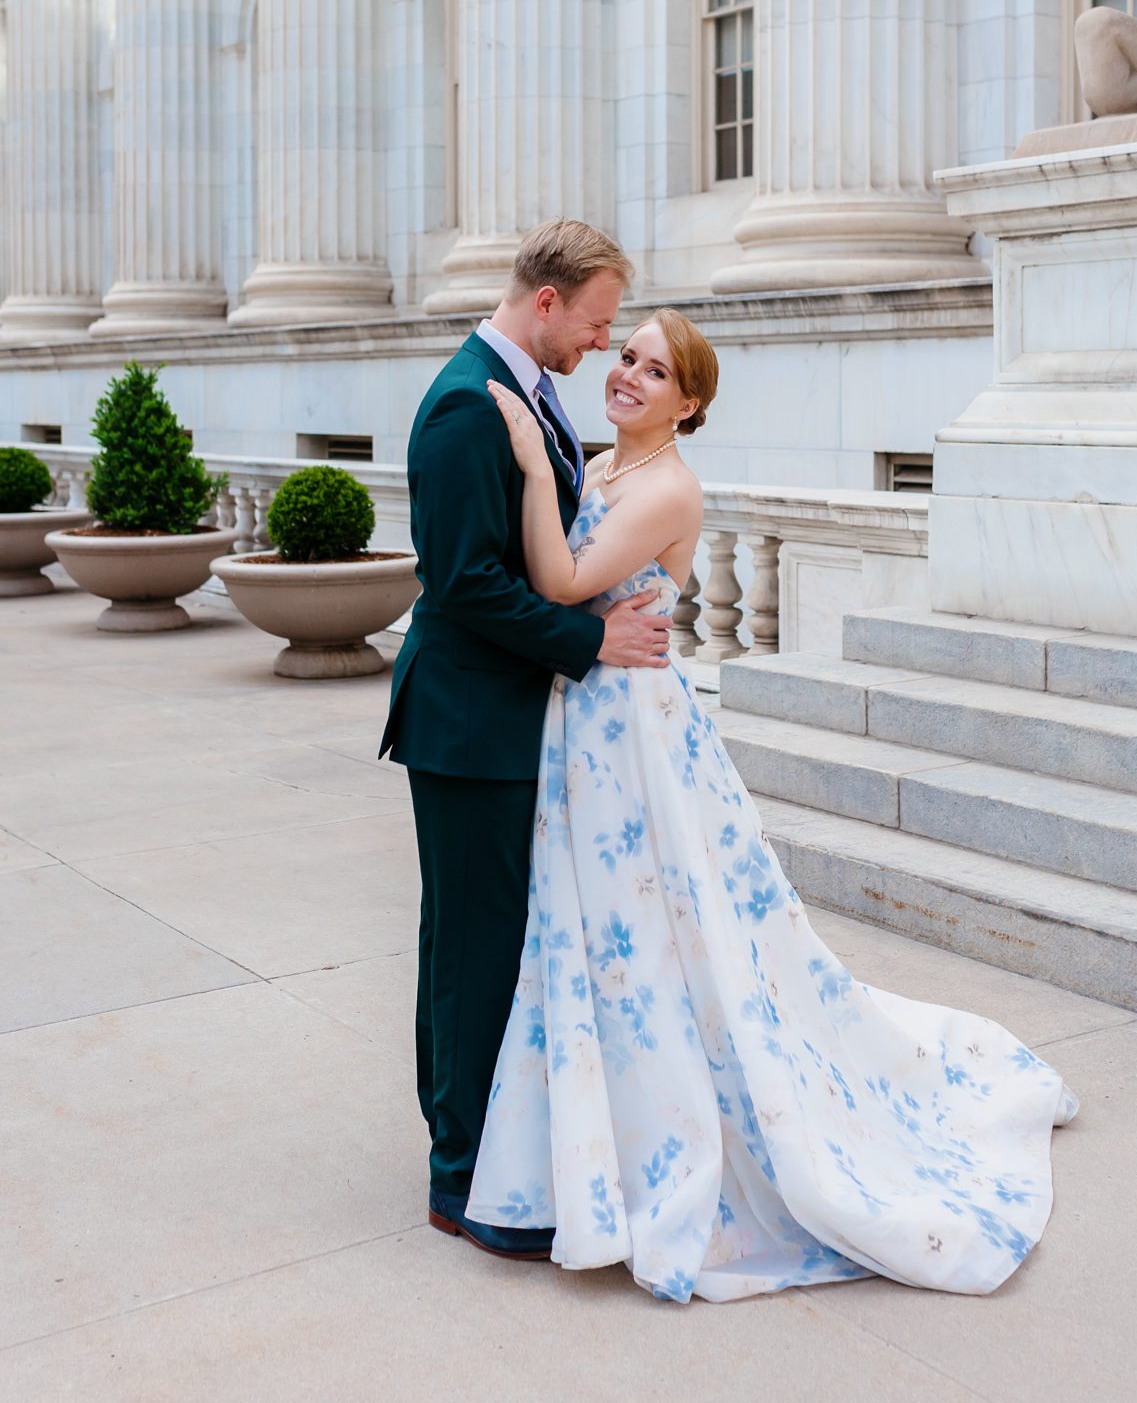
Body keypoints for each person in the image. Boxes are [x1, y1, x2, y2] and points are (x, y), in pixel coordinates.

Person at [471, 306, 1078, 1302]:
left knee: (659, 938)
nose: (627, 374)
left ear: (689, 400)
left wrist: (534, 471)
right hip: (592, 723)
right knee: (603, 934)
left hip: (636, 741)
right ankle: (583, 1155)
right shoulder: (611, 465)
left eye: (653, 370)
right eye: (625, 355)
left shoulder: (665, 484)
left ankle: (665, 1156)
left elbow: (564, 576)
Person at [379, 221, 672, 1262]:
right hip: (467, 722)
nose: (601, 345)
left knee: (482, 938)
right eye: (595, 324)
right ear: (545, 302)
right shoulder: (465, 402)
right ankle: (456, 1175)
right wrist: (591, 638)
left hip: (504, 715)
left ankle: (477, 1140)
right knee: (469, 946)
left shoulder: (526, 387)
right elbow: (465, 583)